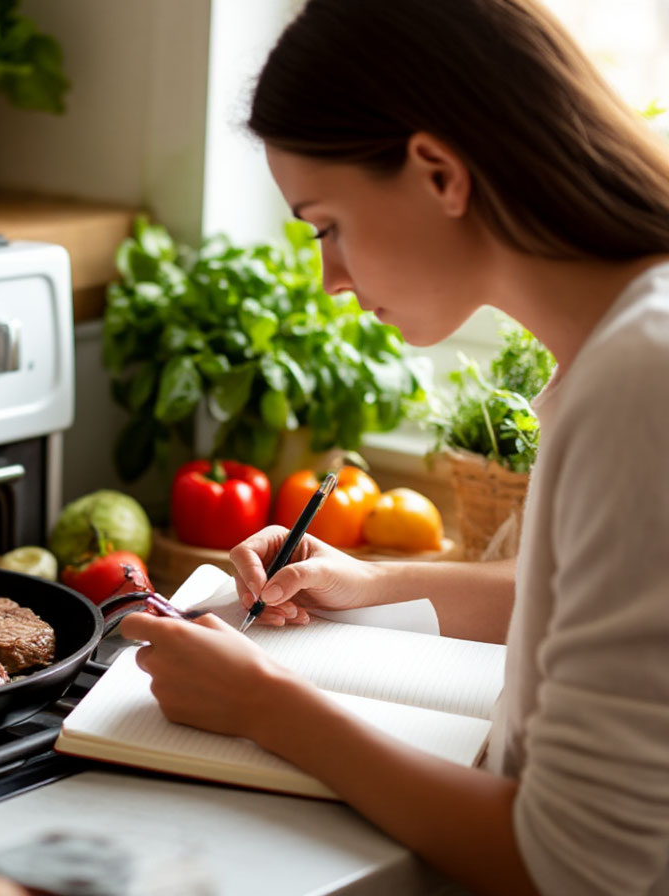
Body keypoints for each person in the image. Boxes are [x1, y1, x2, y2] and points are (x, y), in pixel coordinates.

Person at [117, 1, 669, 894]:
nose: (331, 281)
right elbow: (592, 603)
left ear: (439, 173)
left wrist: (265, 706)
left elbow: (577, 866)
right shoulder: (623, 348)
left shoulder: (645, 377)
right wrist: (381, 588)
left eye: (327, 224)